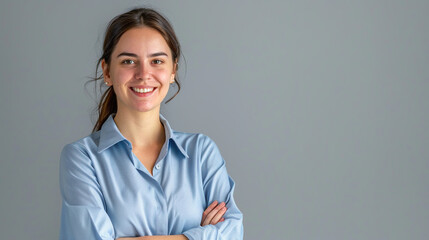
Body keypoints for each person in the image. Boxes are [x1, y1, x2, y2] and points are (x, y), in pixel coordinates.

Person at [59, 7, 243, 240]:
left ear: (173, 70)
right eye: (128, 61)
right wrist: (200, 235)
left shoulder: (201, 152)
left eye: (157, 61)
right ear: (107, 71)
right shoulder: (82, 158)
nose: (144, 74)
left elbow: (233, 232)